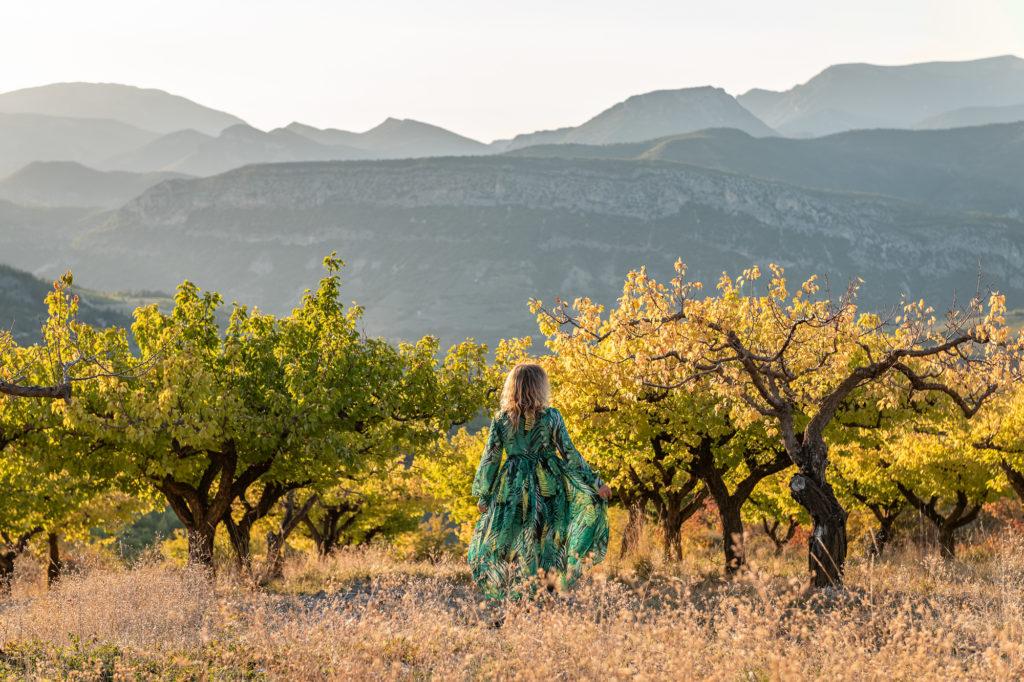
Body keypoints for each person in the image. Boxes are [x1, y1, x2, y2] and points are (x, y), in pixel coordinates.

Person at [468, 362, 612, 601]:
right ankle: (544, 597)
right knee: (548, 542)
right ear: (539, 386)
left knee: (514, 542)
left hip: (513, 488)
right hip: (548, 487)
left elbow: (491, 459)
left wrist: (484, 495)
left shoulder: (501, 419)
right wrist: (597, 482)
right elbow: (570, 454)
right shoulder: (551, 416)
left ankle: (520, 599)